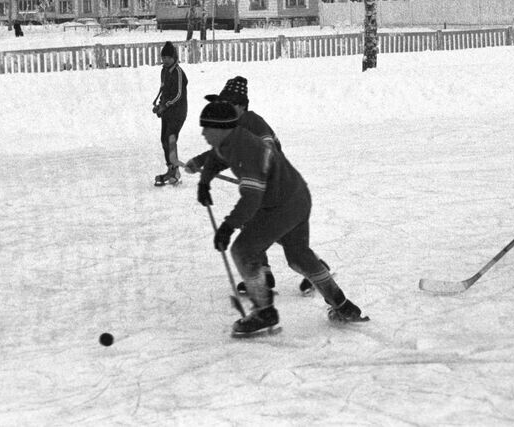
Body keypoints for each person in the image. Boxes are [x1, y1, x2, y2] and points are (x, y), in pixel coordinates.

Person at [199, 99, 365, 337]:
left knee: (243, 250)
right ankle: (342, 304)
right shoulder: (231, 141)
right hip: (298, 195)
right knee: (298, 256)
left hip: (281, 206)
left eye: (207, 128)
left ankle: (264, 312)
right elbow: (216, 157)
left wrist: (227, 227)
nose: (203, 133)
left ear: (222, 128)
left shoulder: (247, 151)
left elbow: (250, 201)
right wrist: (204, 181)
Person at [184, 76, 316, 296]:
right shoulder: (234, 127)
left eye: (228, 104)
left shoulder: (253, 123)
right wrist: (199, 162)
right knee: (256, 227)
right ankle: (264, 272)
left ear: (241, 106)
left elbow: (268, 149)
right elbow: (222, 152)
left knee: (280, 234)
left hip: (277, 189)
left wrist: (254, 174)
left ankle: (313, 269)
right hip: (263, 188)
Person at [151, 40, 188, 186]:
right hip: (167, 111)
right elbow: (164, 90)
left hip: (178, 112)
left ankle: (175, 172)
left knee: (170, 139)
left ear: (174, 58)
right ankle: (171, 169)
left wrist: (165, 105)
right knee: (164, 139)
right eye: (163, 57)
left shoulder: (178, 72)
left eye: (168, 57)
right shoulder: (164, 71)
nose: (165, 60)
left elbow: (178, 94)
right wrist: (160, 104)